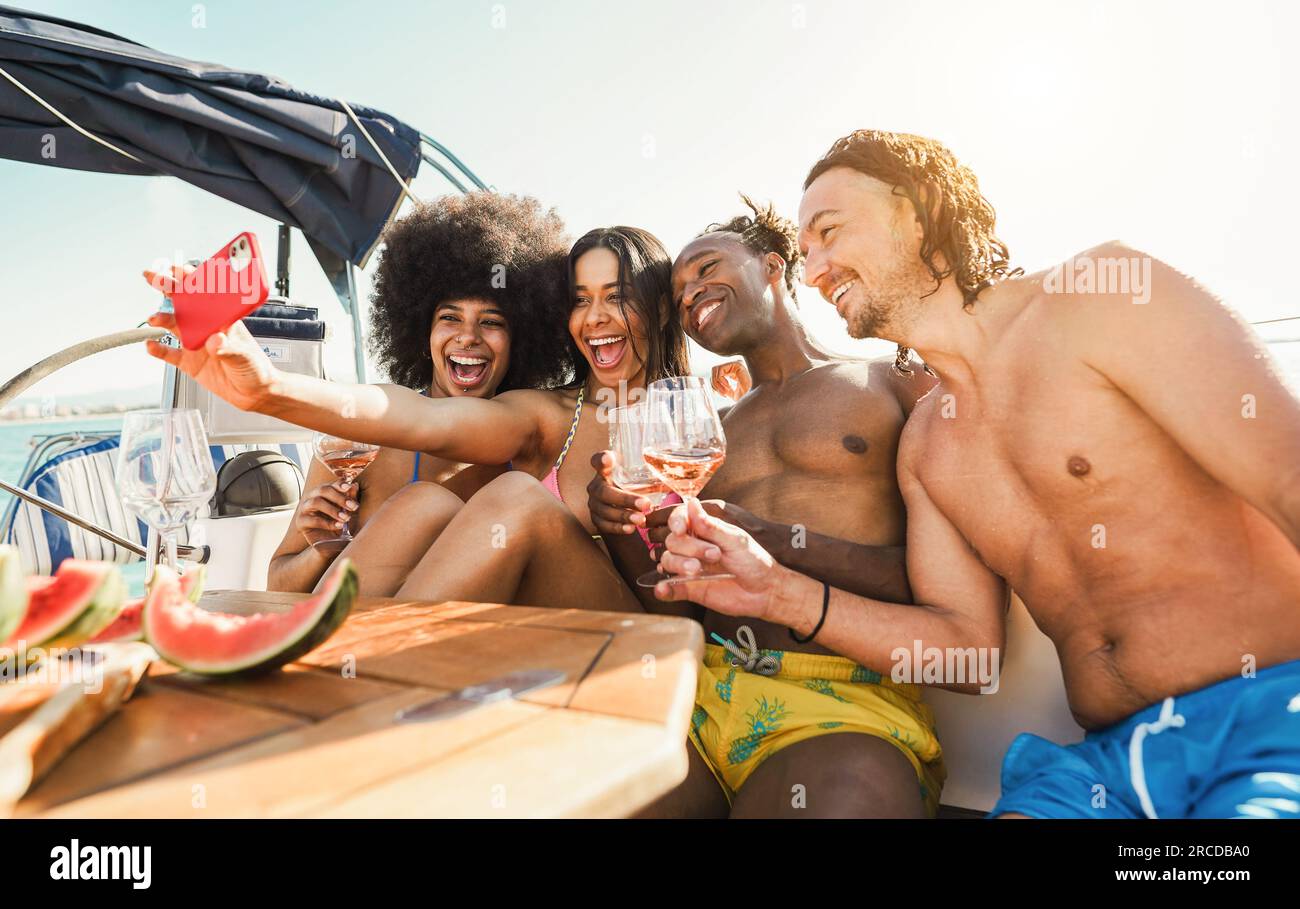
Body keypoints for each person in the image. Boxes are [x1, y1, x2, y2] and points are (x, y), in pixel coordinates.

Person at [654, 129, 1300, 819]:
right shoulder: (928, 446)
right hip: (1103, 763)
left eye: (831, 231)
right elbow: (967, 654)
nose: (814, 270)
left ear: (919, 207)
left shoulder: (1101, 298)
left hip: (1270, 712)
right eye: (806, 251)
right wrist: (776, 591)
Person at [587, 196, 945, 817]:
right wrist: (618, 524)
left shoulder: (894, 380)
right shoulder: (704, 430)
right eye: (677, 296)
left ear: (774, 266)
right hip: (698, 697)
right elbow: (682, 609)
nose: (690, 295)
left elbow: (944, 590)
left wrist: (772, 539)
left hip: (840, 703)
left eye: (705, 269)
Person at [146, 226, 691, 611]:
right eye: (580, 300)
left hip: (617, 635)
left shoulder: (699, 426)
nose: (595, 317)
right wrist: (270, 388)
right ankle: (333, 675)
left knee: (512, 500)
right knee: (428, 502)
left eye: (616, 298)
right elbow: (421, 418)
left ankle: (332, 676)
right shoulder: (544, 416)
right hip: (493, 642)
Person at [264, 192, 574, 595]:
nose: (468, 336)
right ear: (420, 333)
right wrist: (323, 549)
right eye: (450, 317)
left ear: (521, 339)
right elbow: (276, 586)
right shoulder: (363, 444)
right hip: (366, 647)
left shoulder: (535, 444)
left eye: (491, 321)